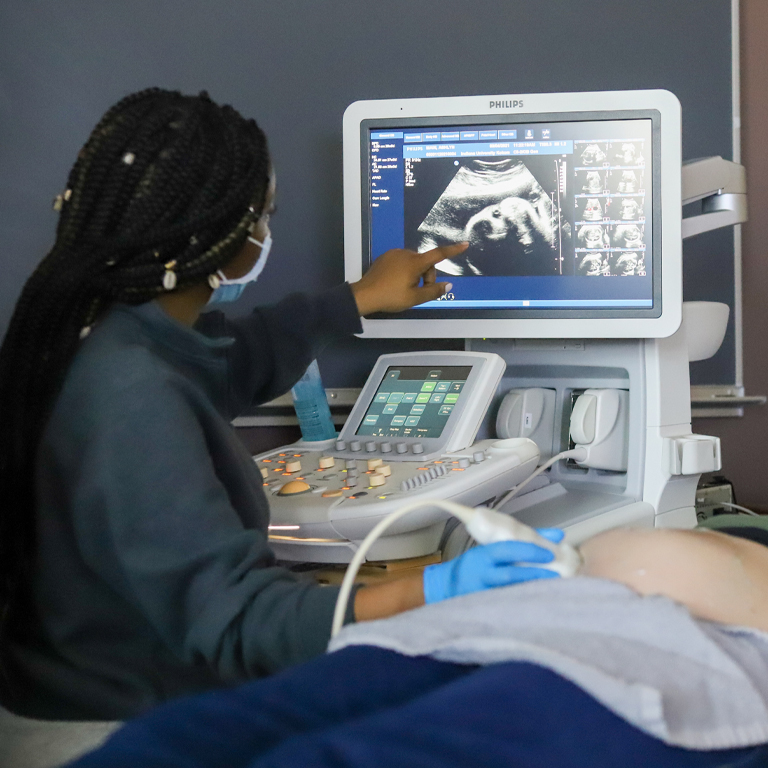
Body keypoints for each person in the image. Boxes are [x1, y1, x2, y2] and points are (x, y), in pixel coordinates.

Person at [0, 89, 563, 722]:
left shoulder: (99, 335)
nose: (266, 234)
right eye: (264, 217)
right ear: (219, 236)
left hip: (72, 683)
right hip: (119, 719)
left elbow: (230, 358)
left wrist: (358, 299)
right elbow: (240, 624)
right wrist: (433, 590)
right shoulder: (129, 391)